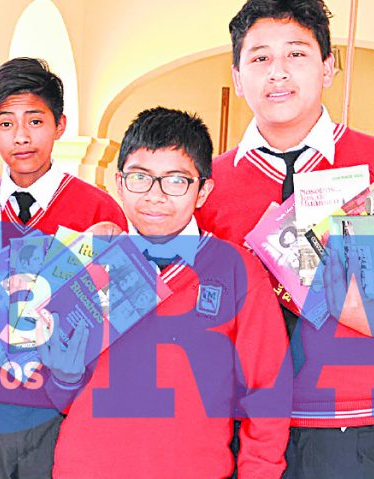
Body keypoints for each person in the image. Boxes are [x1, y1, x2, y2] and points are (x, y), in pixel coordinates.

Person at [196, 1, 374, 476]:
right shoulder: (205, 186)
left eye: (296, 54)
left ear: (327, 67)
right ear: (238, 78)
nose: (278, 72)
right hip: (241, 433)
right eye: (260, 57)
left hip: (366, 435)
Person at [43, 106, 290, 478]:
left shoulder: (236, 270)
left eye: (175, 181)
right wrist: (64, 376)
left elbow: (267, 392)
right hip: (83, 468)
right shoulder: (88, 260)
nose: (155, 195)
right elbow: (57, 394)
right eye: (140, 177)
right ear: (118, 182)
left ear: (203, 190)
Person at [0, 57, 128, 479]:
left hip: (61, 409)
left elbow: (113, 317)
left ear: (59, 125)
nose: (21, 136)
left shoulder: (98, 210)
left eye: (35, 121)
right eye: (5, 123)